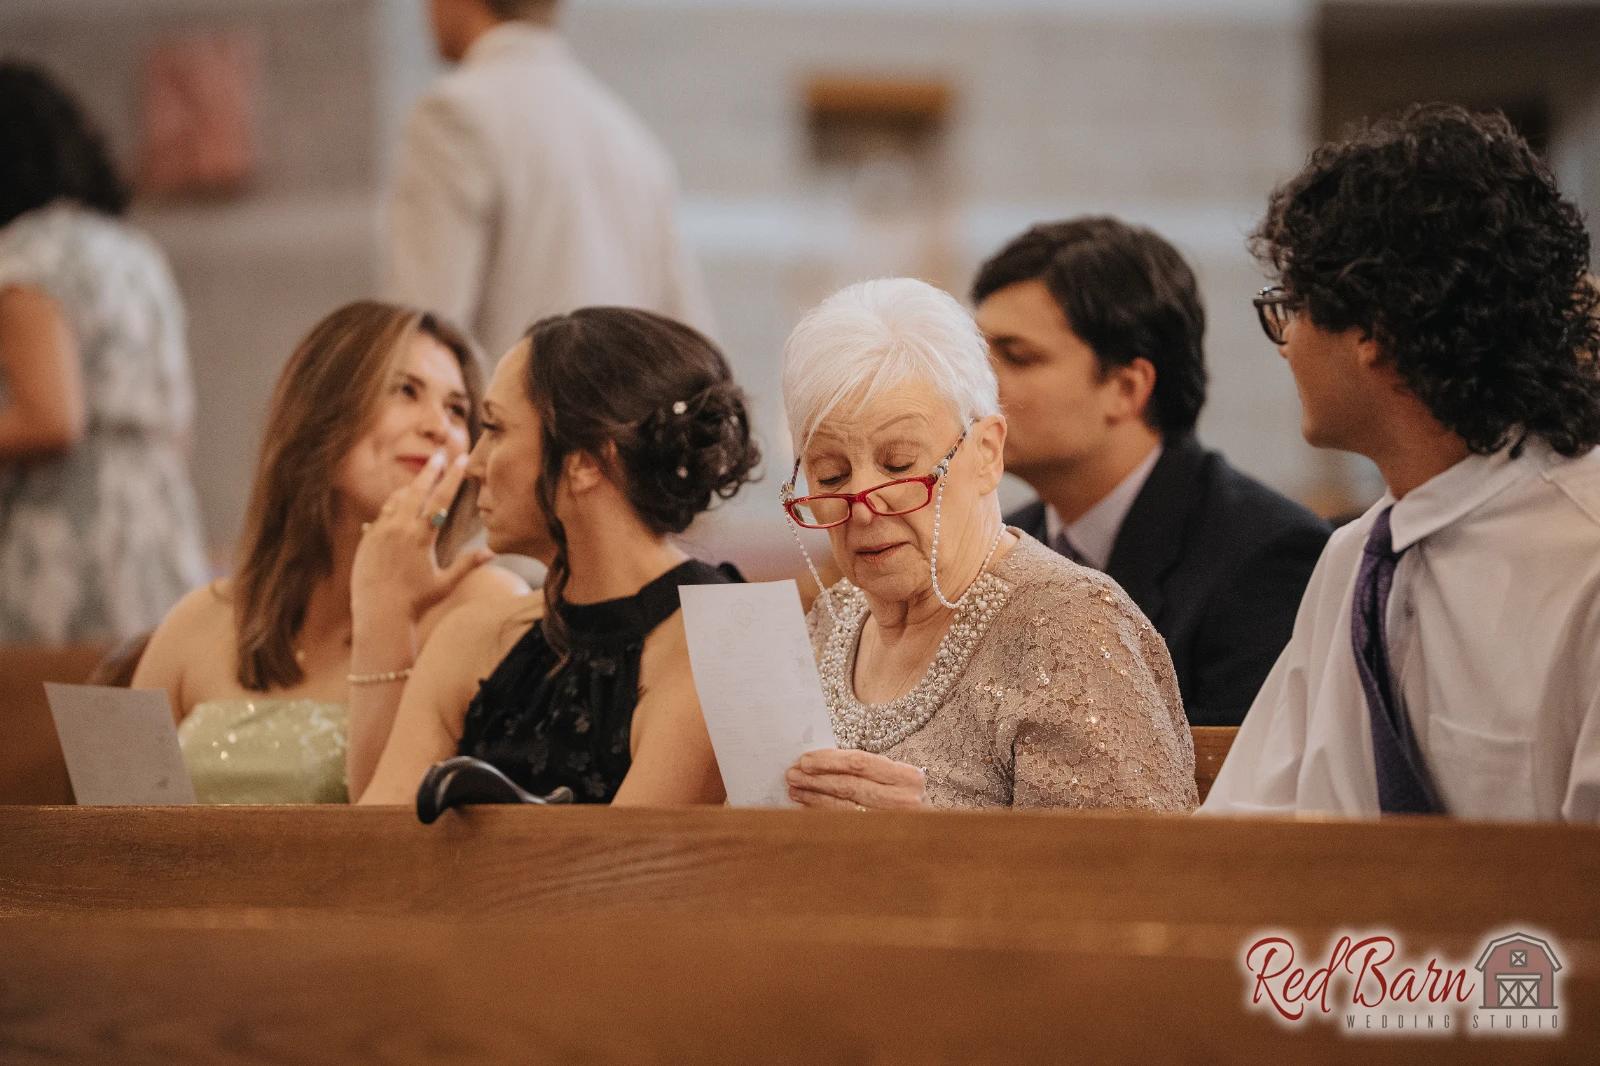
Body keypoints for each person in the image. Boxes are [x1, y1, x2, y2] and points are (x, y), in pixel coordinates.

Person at [1202, 104, 1600, 821]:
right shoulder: (1356, 556)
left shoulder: (1585, 555)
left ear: (1374, 331)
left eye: (1291, 306)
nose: (1285, 344)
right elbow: (1246, 827)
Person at [778, 278, 1196, 811]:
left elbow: (1135, 880)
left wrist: (938, 846)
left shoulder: (1071, 627)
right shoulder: (830, 622)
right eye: (832, 475)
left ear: (986, 454)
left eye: (899, 465)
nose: (862, 504)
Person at [357, 307, 758, 805]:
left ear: (587, 461)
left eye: (495, 429)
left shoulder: (731, 645)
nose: (474, 464)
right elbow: (373, 850)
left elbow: (626, 873)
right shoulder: (470, 639)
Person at [132, 301, 525, 803]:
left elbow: (409, 839)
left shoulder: (487, 608)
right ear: (321, 413)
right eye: (405, 391)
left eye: (457, 409)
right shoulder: (198, 620)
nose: (439, 427)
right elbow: (110, 834)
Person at [971, 217, 1329, 727]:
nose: (977, 388)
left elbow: (1229, 791)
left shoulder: (1266, 557)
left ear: (1126, 387)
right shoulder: (998, 547)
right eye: (976, 357)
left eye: (1016, 357)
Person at [0, 62, 208, 642]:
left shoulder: (24, 260)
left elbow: (52, 418)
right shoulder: (137, 253)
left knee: (50, 722)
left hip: (67, 532)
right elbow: (179, 422)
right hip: (158, 521)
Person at [385, 0, 713, 359]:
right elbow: (693, 350)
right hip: (618, 414)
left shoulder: (454, 115)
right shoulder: (633, 139)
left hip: (512, 411)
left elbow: (427, 340)